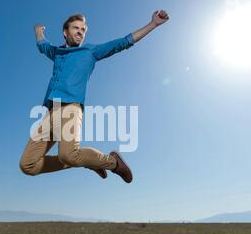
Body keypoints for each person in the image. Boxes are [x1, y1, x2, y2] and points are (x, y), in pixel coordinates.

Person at [19, 10, 170, 183]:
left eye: (83, 30)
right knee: (27, 165)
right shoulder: (56, 52)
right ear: (65, 32)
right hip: (49, 112)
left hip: (70, 107)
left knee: (68, 155)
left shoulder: (90, 51)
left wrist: (153, 24)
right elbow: (42, 45)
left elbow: (123, 42)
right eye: (76, 28)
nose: (80, 32)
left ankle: (112, 162)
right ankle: (89, 161)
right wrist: (38, 30)